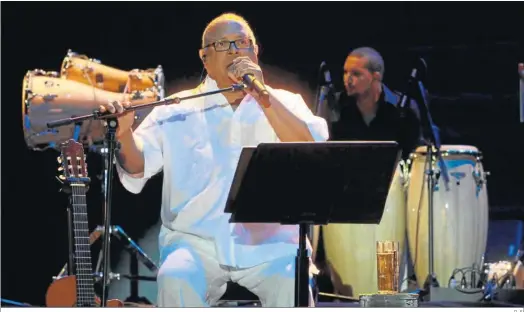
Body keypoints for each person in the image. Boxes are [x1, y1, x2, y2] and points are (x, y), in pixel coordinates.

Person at [99, 13, 328, 307]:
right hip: (194, 243)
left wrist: (264, 97)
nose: (235, 50)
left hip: (271, 245)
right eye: (223, 44)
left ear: (255, 51)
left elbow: (313, 151)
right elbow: (136, 166)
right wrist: (125, 133)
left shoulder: (285, 102)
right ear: (204, 58)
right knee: (176, 276)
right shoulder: (177, 109)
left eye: (243, 42)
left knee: (291, 281)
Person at [317, 47, 422, 159]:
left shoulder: (404, 107)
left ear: (376, 76)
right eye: (345, 72)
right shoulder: (334, 106)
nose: (347, 79)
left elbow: (417, 156)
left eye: (356, 74)